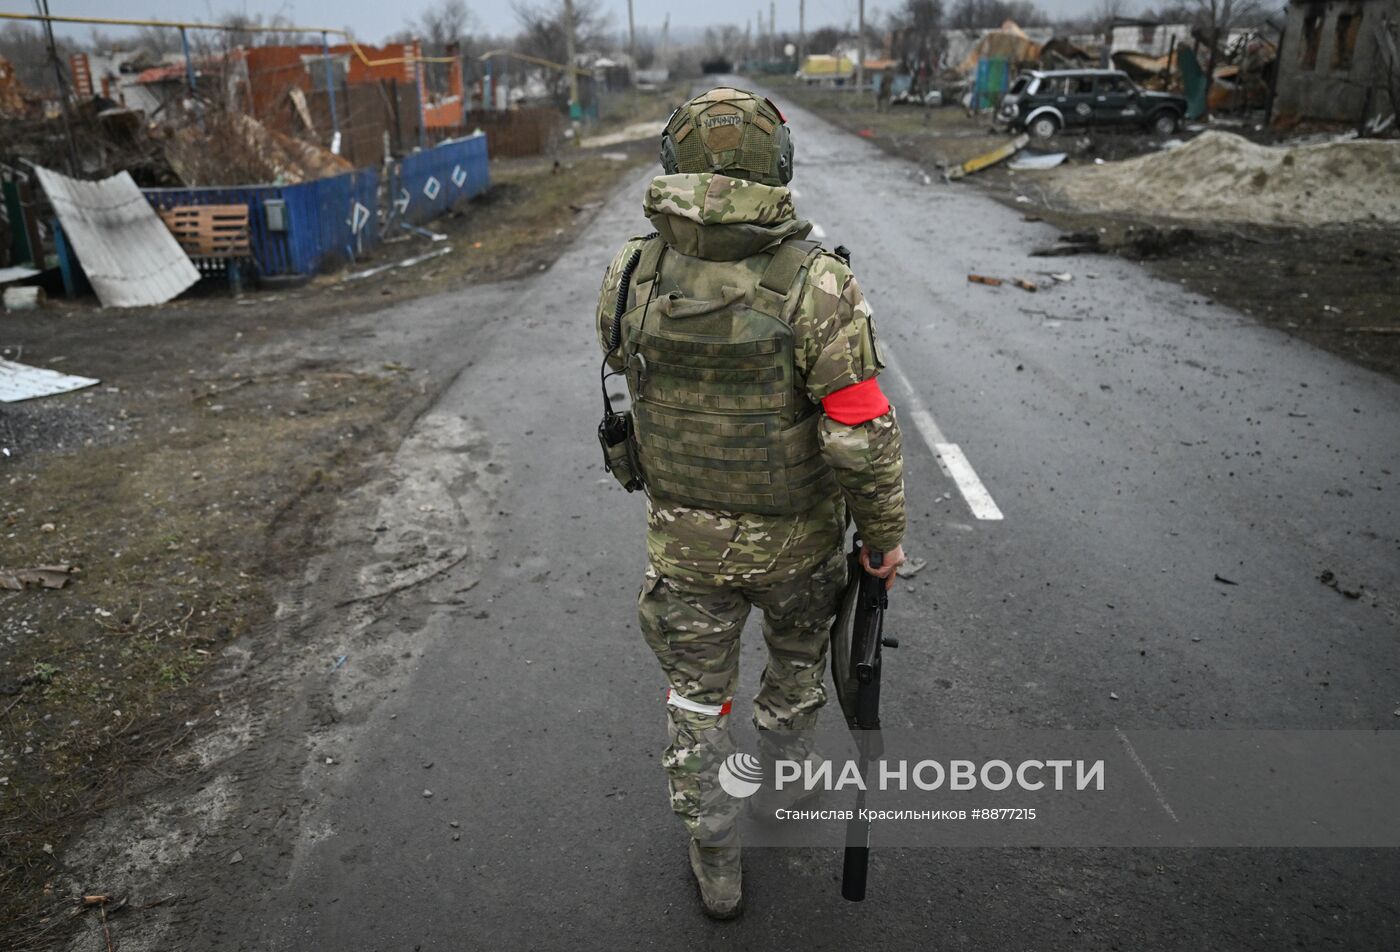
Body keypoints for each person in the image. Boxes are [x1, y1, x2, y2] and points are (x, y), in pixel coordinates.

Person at [594, 86, 907, 920]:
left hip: (685, 546)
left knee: (697, 703)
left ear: (673, 162)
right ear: (780, 163)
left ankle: (716, 855)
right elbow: (858, 432)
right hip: (799, 545)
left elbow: (622, 365)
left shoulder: (630, 268)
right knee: (798, 662)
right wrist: (883, 540)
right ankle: (786, 781)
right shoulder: (817, 282)